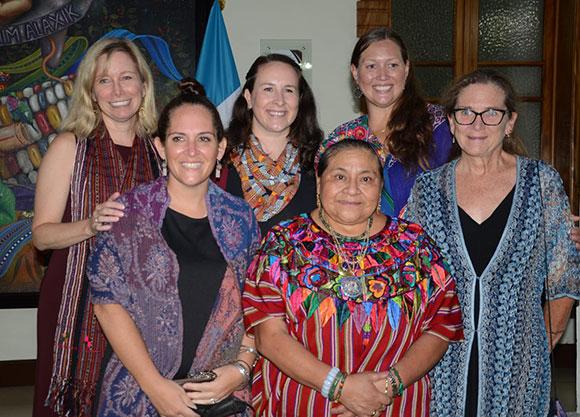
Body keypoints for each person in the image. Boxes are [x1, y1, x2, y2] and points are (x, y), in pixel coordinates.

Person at [243, 136, 464, 417]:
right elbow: (269, 337)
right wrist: (341, 388)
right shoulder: (282, 245)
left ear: (380, 186)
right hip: (303, 405)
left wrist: (386, 387)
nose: (352, 189)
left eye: (366, 179)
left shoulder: (415, 245)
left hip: (392, 404)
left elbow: (441, 326)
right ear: (320, 184)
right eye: (339, 176)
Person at [405, 69, 580, 417]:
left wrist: (535, 352)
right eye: (465, 112)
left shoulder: (541, 183)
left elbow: (563, 279)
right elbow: (408, 278)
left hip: (520, 372)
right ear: (452, 123)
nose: (477, 123)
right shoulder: (427, 192)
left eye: (491, 113)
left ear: (510, 121)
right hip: (441, 369)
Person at [86, 79, 261, 417]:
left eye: (204, 139)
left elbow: (258, 306)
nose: (192, 151)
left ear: (221, 148)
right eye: (179, 139)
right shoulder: (128, 213)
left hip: (219, 398)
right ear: (160, 147)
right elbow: (108, 306)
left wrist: (241, 368)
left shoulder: (241, 219)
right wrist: (157, 389)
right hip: (139, 394)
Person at [31, 37, 161, 416]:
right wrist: (89, 225)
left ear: (144, 86)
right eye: (104, 81)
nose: (118, 90)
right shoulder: (69, 146)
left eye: (127, 78)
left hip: (140, 306)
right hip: (74, 299)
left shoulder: (159, 150)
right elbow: (41, 235)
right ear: (90, 91)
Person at [328, 27, 452, 217]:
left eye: (392, 65)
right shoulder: (340, 139)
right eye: (371, 66)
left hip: (429, 245)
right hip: (359, 246)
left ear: (407, 69)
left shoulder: (442, 126)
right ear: (355, 73)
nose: (382, 76)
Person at [223, 53, 324, 235]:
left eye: (288, 90)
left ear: (300, 99)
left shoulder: (320, 162)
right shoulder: (219, 158)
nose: (279, 100)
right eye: (268, 89)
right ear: (248, 97)